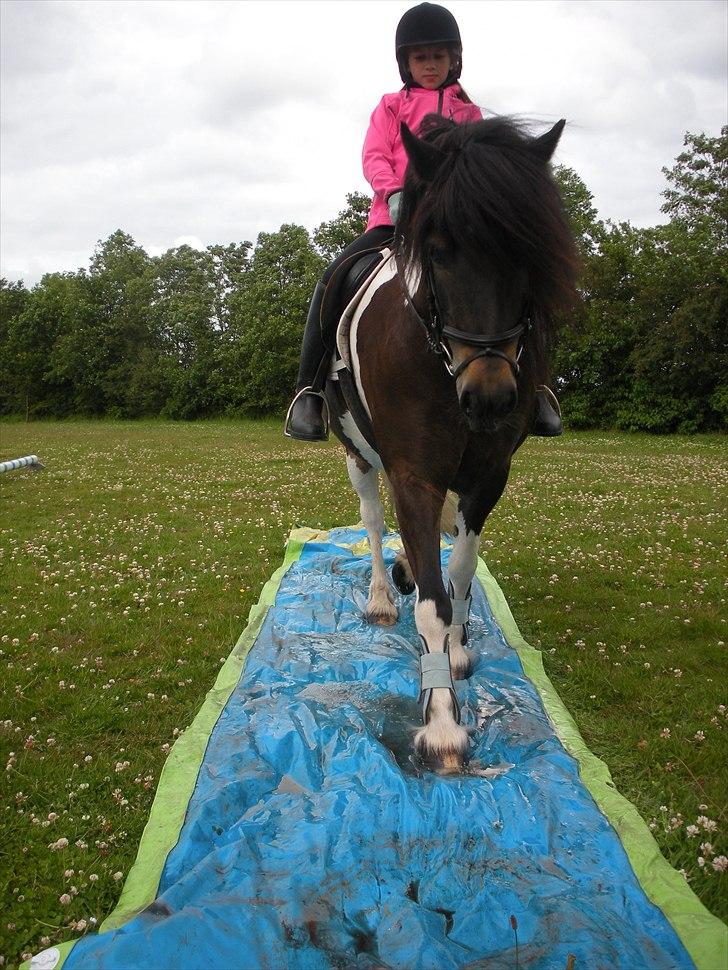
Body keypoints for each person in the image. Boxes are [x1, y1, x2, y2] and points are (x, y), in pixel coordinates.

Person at [285, 1, 562, 441]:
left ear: (454, 59)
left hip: (453, 225)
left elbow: (480, 168)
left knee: (517, 277)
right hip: (391, 220)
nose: (430, 65)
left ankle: (538, 387)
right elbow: (374, 154)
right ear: (406, 63)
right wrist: (394, 192)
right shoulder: (391, 106)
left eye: (438, 56)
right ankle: (309, 392)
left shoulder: (468, 112)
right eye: (421, 57)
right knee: (333, 277)